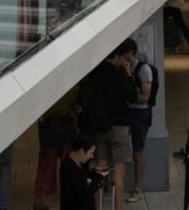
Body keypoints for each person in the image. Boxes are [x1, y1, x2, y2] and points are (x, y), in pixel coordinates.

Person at [90, 38, 139, 210]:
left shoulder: (96, 72)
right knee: (119, 176)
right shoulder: (120, 74)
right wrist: (128, 74)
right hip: (119, 126)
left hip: (100, 127)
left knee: (100, 170)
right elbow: (132, 96)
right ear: (117, 56)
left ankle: (97, 206)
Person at [121, 46, 153, 203]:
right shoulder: (120, 68)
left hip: (139, 113)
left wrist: (129, 91)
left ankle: (138, 187)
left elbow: (145, 97)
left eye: (125, 54)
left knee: (138, 150)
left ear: (132, 52)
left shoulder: (143, 69)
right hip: (126, 112)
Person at [59, 135, 105, 210]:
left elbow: (84, 179)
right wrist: (98, 179)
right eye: (90, 153)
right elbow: (85, 193)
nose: (92, 156)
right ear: (81, 151)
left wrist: (93, 173)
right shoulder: (71, 169)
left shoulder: (76, 163)